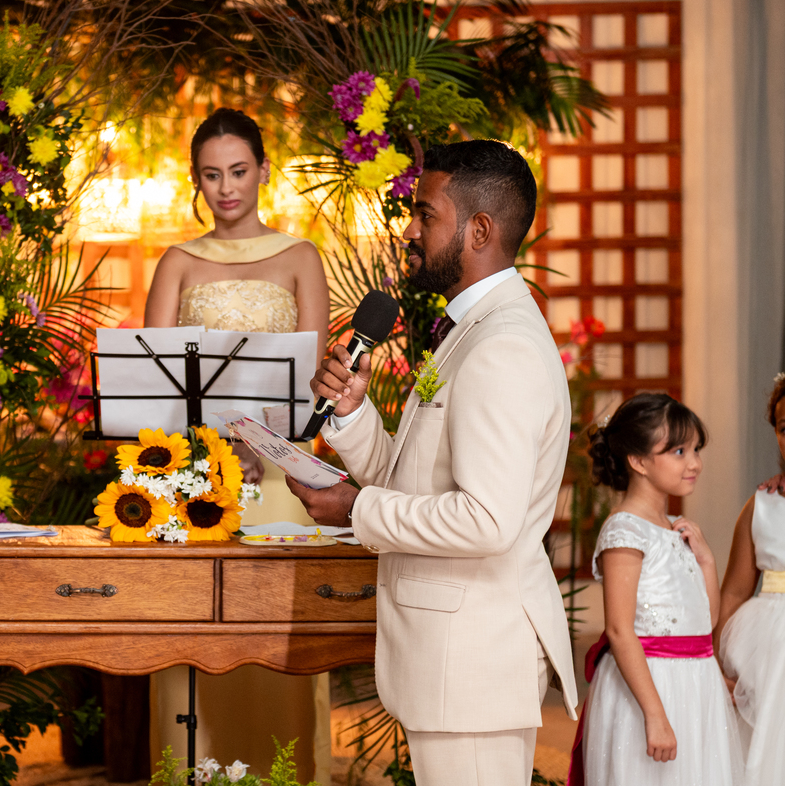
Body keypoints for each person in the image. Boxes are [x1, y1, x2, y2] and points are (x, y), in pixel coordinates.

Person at [292, 140, 577, 785]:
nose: (410, 231)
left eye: (425, 215)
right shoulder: (472, 330)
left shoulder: (502, 345)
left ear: (478, 230)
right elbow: (416, 477)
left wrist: (355, 509)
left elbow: (486, 520)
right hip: (453, 663)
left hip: (472, 662)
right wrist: (352, 415)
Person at [142, 108, 331, 778]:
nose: (226, 188)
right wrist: (209, 450)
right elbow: (152, 383)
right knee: (193, 653)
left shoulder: (301, 256)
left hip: (282, 483)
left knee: (276, 648)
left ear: (264, 170)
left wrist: (265, 443)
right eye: (212, 174)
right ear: (196, 179)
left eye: (239, 171)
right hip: (195, 485)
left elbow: (315, 383)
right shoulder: (178, 262)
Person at [573, 393, 742, 784]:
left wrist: (707, 562)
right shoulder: (625, 530)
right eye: (679, 451)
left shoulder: (674, 525)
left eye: (696, 450)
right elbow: (618, 629)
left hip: (695, 682)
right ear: (638, 461)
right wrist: (655, 714)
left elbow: (705, 622)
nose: (695, 463)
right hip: (653, 687)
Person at [715, 373, 785, 785]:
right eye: (783, 427)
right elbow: (735, 592)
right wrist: (715, 670)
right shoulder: (761, 506)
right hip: (768, 658)